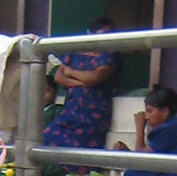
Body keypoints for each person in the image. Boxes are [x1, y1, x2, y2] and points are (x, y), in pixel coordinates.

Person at [43, 21, 120, 152]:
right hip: (71, 112)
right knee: (48, 137)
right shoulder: (75, 52)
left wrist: (71, 72)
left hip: (92, 114)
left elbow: (95, 77)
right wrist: (81, 83)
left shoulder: (110, 56)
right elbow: (59, 77)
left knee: (83, 152)